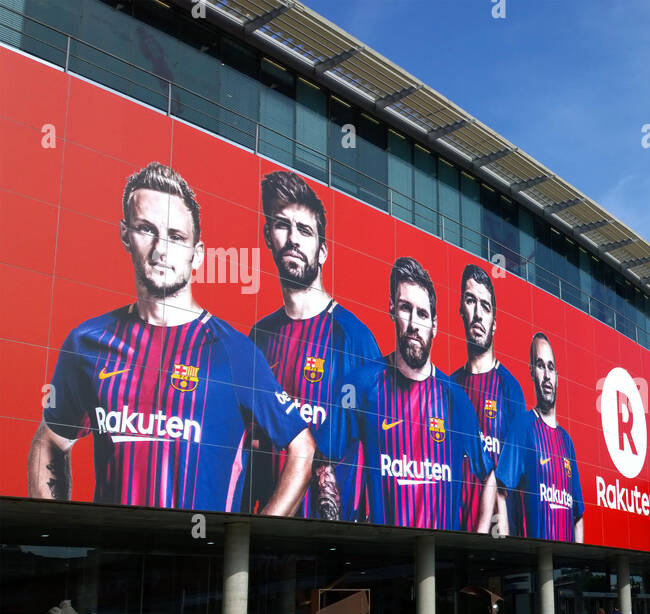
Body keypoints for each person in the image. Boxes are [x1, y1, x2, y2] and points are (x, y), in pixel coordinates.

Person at [29, 161, 315, 514]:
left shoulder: (235, 351)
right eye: (146, 229)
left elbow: (301, 448)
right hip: (108, 563)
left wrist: (253, 540)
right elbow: (51, 440)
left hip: (201, 564)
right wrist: (55, 530)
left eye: (177, 237)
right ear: (125, 236)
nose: (161, 250)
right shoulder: (87, 342)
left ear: (196, 255)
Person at [317, 257, 496, 529]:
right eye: (405, 308)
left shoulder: (456, 399)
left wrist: (482, 534)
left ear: (434, 324)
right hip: (379, 557)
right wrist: (336, 522)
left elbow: (488, 473)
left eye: (422, 314)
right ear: (391, 309)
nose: (414, 324)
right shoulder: (358, 384)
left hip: (442, 559)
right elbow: (324, 455)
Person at [246, 170, 382, 520]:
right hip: (264, 534)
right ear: (267, 236)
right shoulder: (258, 337)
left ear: (322, 251)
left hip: (331, 539)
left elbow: (378, 444)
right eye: (282, 226)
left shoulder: (354, 338)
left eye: (304, 231)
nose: (293, 239)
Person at [451, 264, 527, 536]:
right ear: (461, 309)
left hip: (499, 533)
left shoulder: (511, 388)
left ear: (495, 320)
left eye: (485, 305)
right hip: (452, 528)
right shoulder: (448, 386)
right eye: (471, 301)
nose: (478, 314)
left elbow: (516, 469)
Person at [495, 333, 583, 541]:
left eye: (551, 367)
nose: (546, 375)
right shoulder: (523, 426)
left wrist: (579, 556)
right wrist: (506, 541)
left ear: (557, 377)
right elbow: (500, 489)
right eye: (540, 365)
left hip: (566, 562)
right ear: (532, 372)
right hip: (532, 559)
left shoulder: (567, 441)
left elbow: (578, 514)